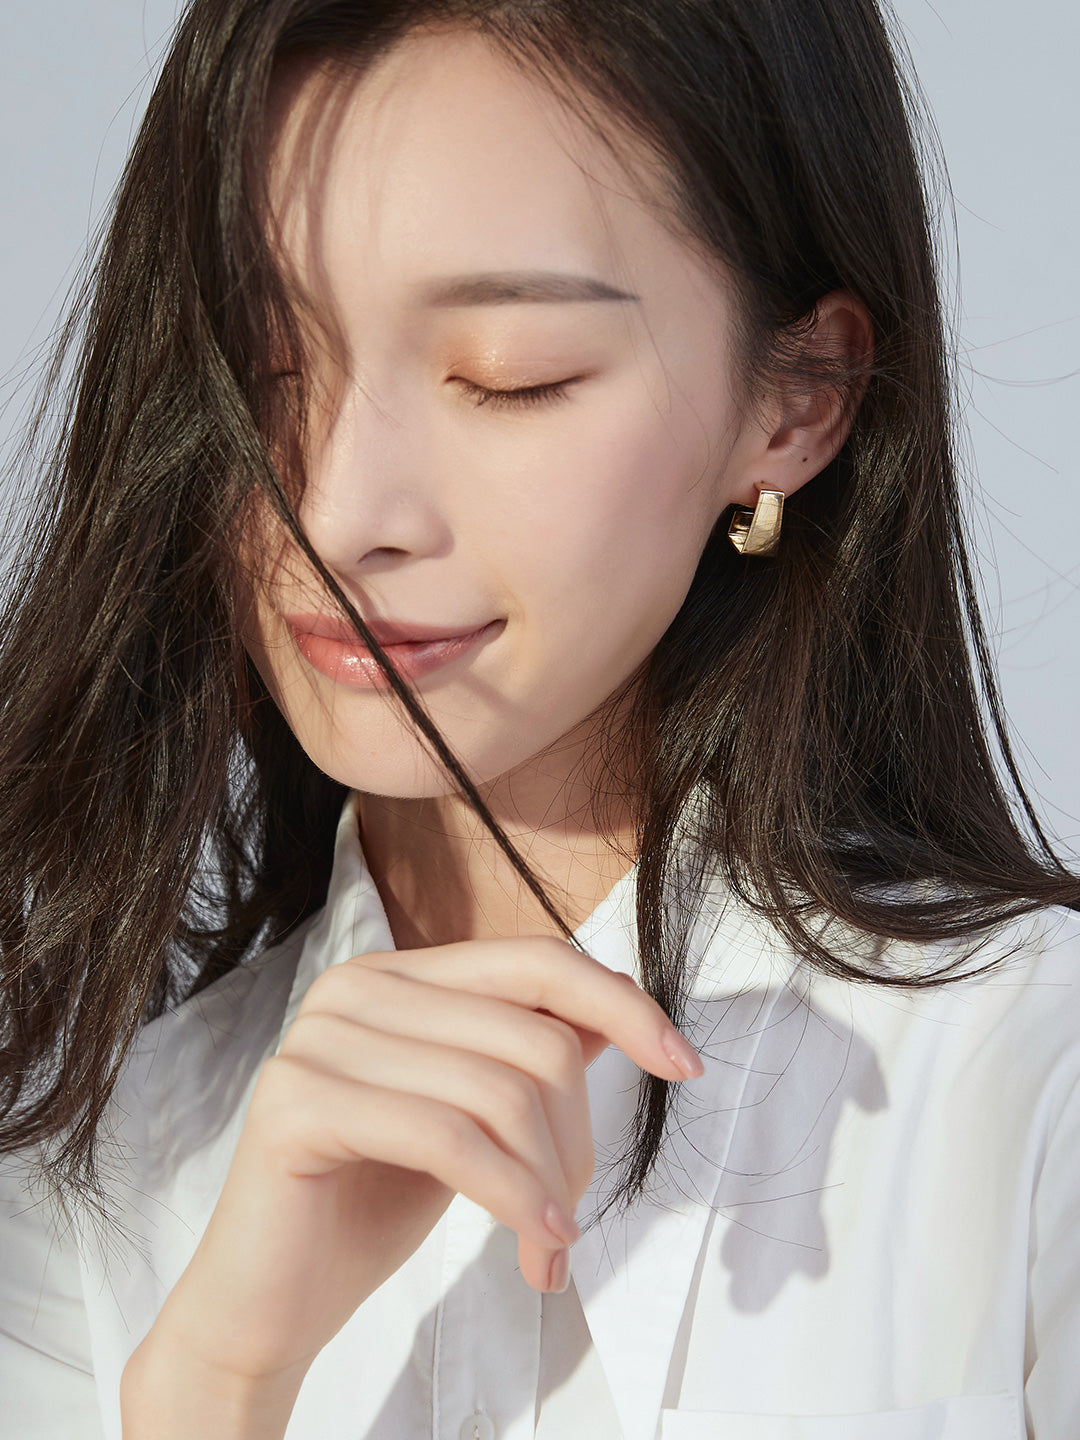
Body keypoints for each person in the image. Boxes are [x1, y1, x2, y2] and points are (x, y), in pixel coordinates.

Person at [1, 0, 1078, 1436]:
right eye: (262, 369)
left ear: (800, 396)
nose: (335, 514)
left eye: (511, 377)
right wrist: (212, 1387)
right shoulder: (92, 1175)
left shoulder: (1025, 1090)